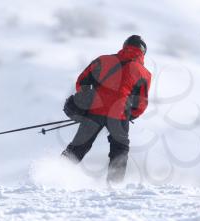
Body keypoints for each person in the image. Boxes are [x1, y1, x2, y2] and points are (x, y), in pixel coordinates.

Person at [62, 35, 152, 184]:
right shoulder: (144, 73)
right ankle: (114, 185)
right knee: (119, 150)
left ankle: (54, 173)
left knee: (78, 147)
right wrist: (130, 114)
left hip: (94, 111)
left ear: (125, 45)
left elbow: (82, 81)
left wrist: (88, 100)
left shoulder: (103, 60)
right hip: (120, 115)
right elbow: (141, 103)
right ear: (143, 52)